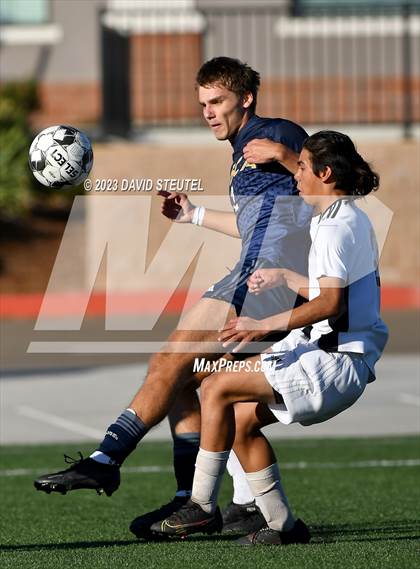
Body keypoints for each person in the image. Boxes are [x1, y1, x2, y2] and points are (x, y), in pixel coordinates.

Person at [33, 57, 311, 537]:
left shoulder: (275, 132)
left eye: (217, 101)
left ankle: (106, 459)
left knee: (171, 358)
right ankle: (195, 502)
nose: (207, 111)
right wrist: (195, 216)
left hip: (265, 281)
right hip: (251, 273)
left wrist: (290, 157)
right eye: (202, 103)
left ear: (246, 99)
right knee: (192, 381)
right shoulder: (243, 151)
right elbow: (256, 221)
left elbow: (332, 182)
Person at [150, 130, 389, 545]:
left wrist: (263, 324)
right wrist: (284, 277)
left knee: (215, 387)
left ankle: (202, 506)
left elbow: (330, 304)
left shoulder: (336, 227)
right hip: (328, 350)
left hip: (335, 360)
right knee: (240, 420)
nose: (295, 174)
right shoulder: (342, 217)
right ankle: (282, 526)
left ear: (325, 173)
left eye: (301, 165)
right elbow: (330, 292)